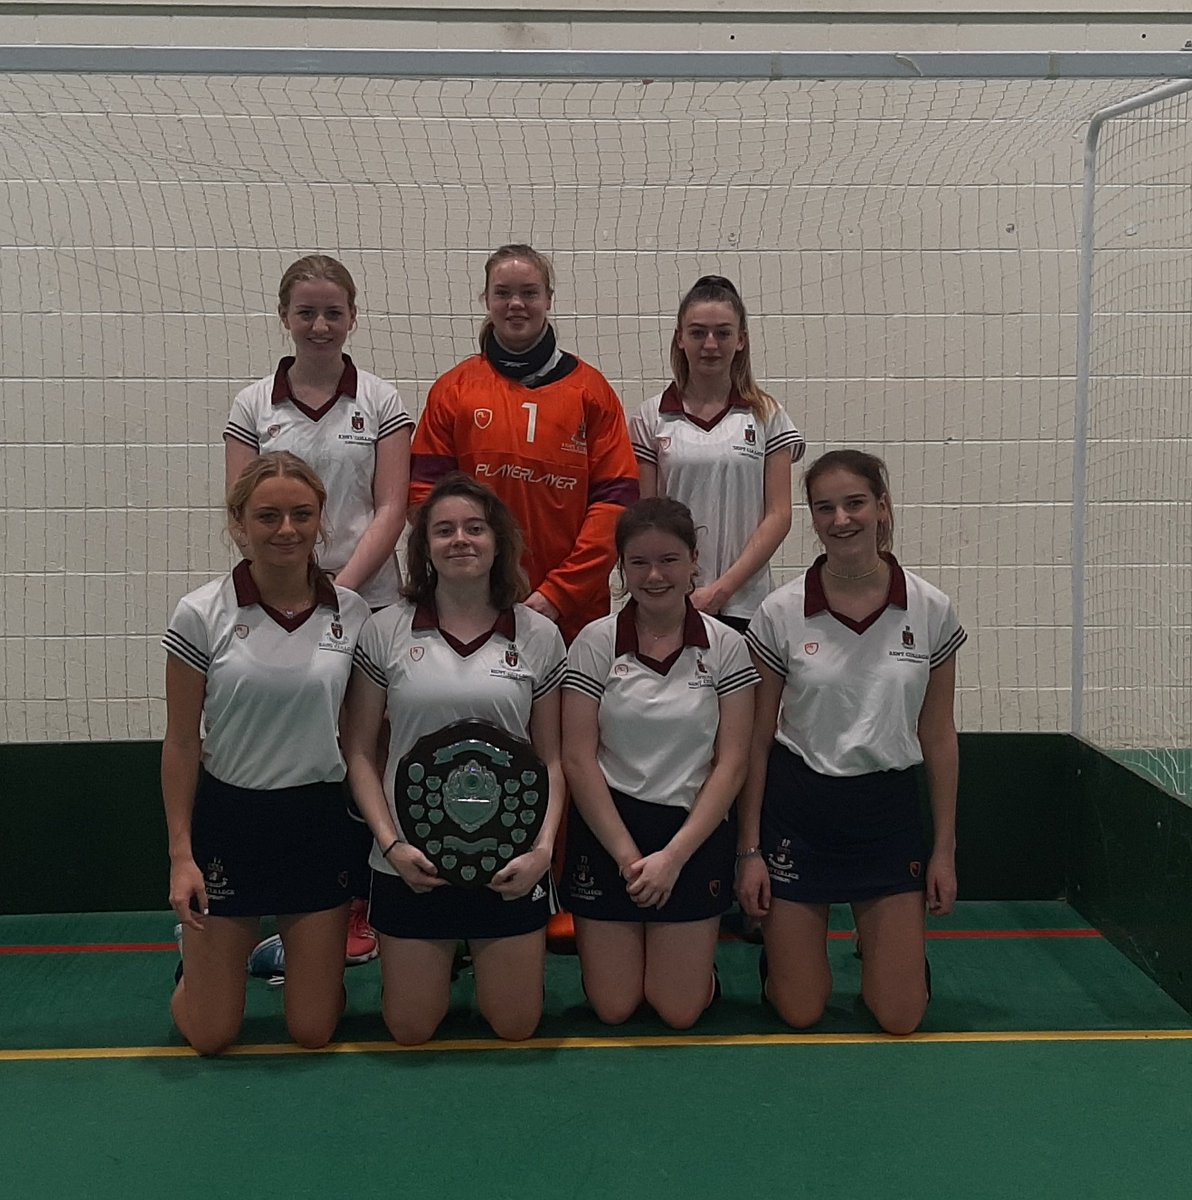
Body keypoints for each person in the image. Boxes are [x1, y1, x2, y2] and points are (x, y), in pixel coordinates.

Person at [224, 254, 413, 966]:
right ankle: (287, 906)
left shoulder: (383, 399)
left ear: (352, 317)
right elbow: (244, 509)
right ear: (285, 317)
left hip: (369, 604)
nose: (320, 324)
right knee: (306, 749)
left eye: (334, 312)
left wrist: (343, 591)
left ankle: (366, 899)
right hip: (280, 603)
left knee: (371, 748)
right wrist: (300, 584)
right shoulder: (252, 405)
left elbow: (393, 506)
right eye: (307, 312)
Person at [736, 450, 964, 1036]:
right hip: (799, 812)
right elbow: (757, 741)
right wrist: (750, 852)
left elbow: (938, 737)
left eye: (855, 503)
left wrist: (944, 850)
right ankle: (782, 966)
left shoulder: (931, 609)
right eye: (825, 507)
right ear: (812, 518)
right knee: (801, 1011)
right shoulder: (779, 612)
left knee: (900, 1017)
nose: (841, 519)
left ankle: (903, 963)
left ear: (883, 507)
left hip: (887, 815)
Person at [342, 474, 566, 1044]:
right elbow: (361, 752)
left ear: (498, 541)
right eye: (443, 531)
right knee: (411, 1030)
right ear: (424, 548)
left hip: (510, 861)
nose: (460, 540)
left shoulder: (539, 635)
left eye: (474, 527)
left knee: (516, 1027)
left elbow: (553, 759)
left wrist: (542, 852)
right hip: (410, 861)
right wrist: (392, 846)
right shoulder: (385, 629)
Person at [162, 452, 369, 1055]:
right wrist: (181, 855)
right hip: (231, 821)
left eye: (302, 515)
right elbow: (180, 742)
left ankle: (295, 960)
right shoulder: (201, 614)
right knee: (211, 1035)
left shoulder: (351, 615)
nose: (287, 529)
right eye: (268, 516)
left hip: (318, 822)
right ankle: (195, 963)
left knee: (312, 1032)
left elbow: (360, 741)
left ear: (320, 521)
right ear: (239, 524)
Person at [561, 498, 758, 1028]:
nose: (654, 575)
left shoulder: (727, 647)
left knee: (677, 1011)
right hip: (609, 832)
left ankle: (699, 975)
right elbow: (577, 759)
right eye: (639, 563)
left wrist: (672, 858)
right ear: (621, 568)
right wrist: (629, 859)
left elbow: (733, 762)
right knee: (614, 1007)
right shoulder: (595, 642)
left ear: (695, 561)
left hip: (690, 833)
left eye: (669, 560)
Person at [408, 243, 639, 645]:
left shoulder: (591, 392)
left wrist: (557, 595)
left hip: (572, 615)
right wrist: (474, 583)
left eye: (529, 293)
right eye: (503, 293)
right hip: (472, 609)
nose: (516, 304)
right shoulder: (454, 391)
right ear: (486, 299)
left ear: (549, 298)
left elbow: (615, 506)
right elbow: (423, 500)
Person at [630, 275, 804, 634]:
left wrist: (722, 590)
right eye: (697, 333)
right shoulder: (650, 418)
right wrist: (679, 587)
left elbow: (779, 514)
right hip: (671, 603)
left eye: (723, 333)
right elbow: (645, 519)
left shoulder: (768, 415)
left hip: (747, 604)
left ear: (741, 340)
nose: (710, 344)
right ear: (680, 338)